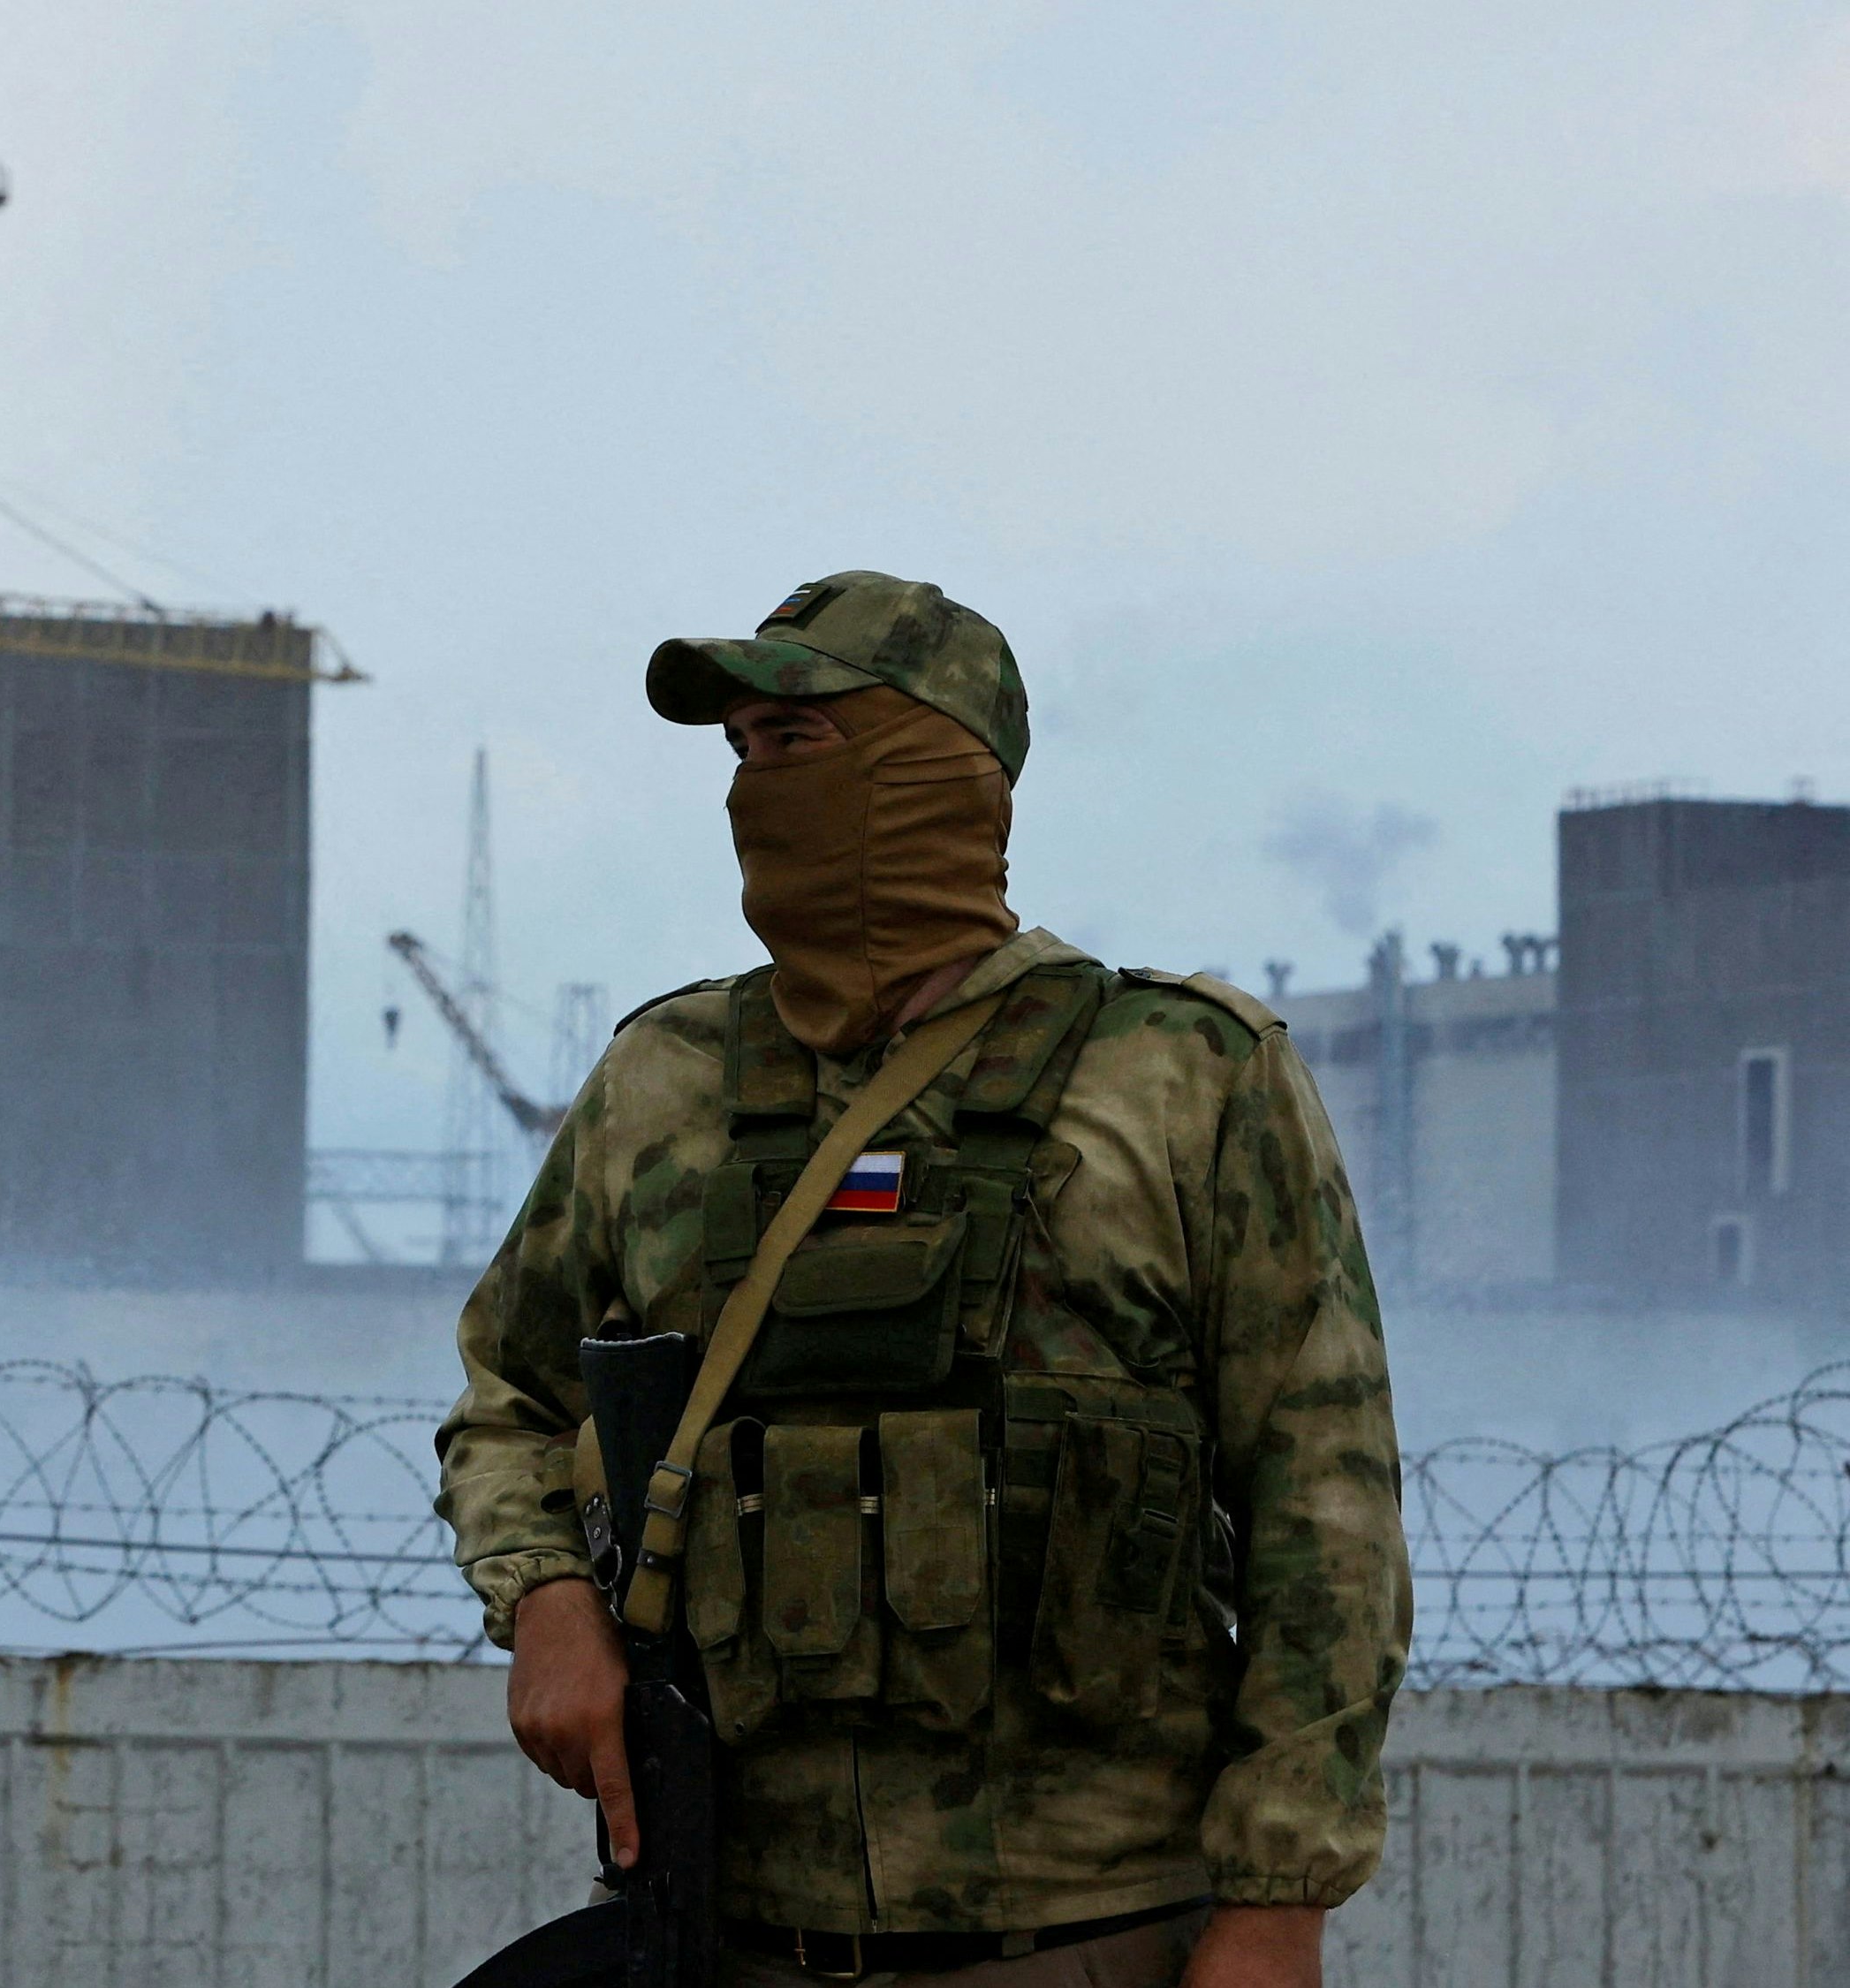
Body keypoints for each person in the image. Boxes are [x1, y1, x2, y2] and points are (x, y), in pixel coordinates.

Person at [435, 572, 1409, 1987]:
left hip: (1090, 1935)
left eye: (797, 745)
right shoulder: (666, 1082)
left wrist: (1276, 1905)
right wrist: (544, 1603)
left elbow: (1324, 1513)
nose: (752, 791)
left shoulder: (1183, 1077)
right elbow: (508, 1394)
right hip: (736, 1935)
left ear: (932, 770)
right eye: (739, 753)